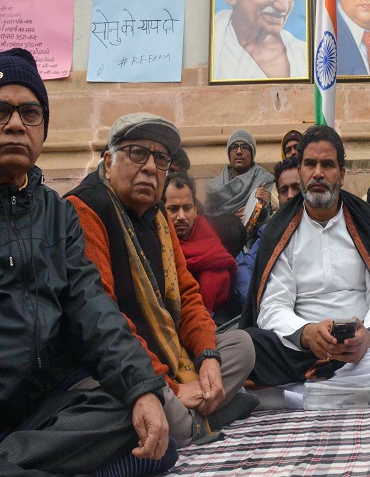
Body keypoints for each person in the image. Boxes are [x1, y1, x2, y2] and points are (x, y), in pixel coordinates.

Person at [0, 49, 173, 475]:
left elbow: (94, 309)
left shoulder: (57, 214)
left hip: (35, 416)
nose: (16, 123)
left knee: (136, 417)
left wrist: (142, 389)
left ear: (43, 132)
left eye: (30, 113)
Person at [66, 113, 256, 447]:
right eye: (137, 153)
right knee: (171, 421)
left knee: (243, 346)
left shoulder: (157, 216)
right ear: (108, 162)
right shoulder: (86, 209)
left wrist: (208, 355)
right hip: (113, 364)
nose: (151, 168)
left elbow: (188, 294)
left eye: (161, 158)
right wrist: (173, 384)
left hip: (166, 356)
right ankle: (202, 416)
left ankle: (197, 409)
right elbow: (101, 319)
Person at [239, 126, 370, 406]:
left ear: (342, 174)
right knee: (246, 346)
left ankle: (299, 397)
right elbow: (273, 307)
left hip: (357, 352)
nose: (318, 173)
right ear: (300, 172)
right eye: (310, 164)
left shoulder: (368, 224)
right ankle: (347, 393)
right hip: (299, 351)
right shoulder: (280, 229)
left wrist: (368, 336)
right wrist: (307, 333)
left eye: (328, 165)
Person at [164, 171, 237, 318]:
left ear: (196, 209)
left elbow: (223, 266)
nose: (181, 217)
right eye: (173, 209)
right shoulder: (156, 245)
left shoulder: (208, 237)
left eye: (187, 208)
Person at [233, 155, 301, 311]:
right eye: (284, 190)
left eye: (296, 188)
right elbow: (244, 269)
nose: (290, 195)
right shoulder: (269, 232)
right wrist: (259, 305)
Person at [205, 129, 273, 225]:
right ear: (229, 153)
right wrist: (230, 220)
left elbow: (271, 223)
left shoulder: (264, 181)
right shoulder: (213, 187)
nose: (239, 152)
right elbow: (206, 223)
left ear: (252, 153)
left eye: (244, 147)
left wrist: (262, 210)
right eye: (234, 147)